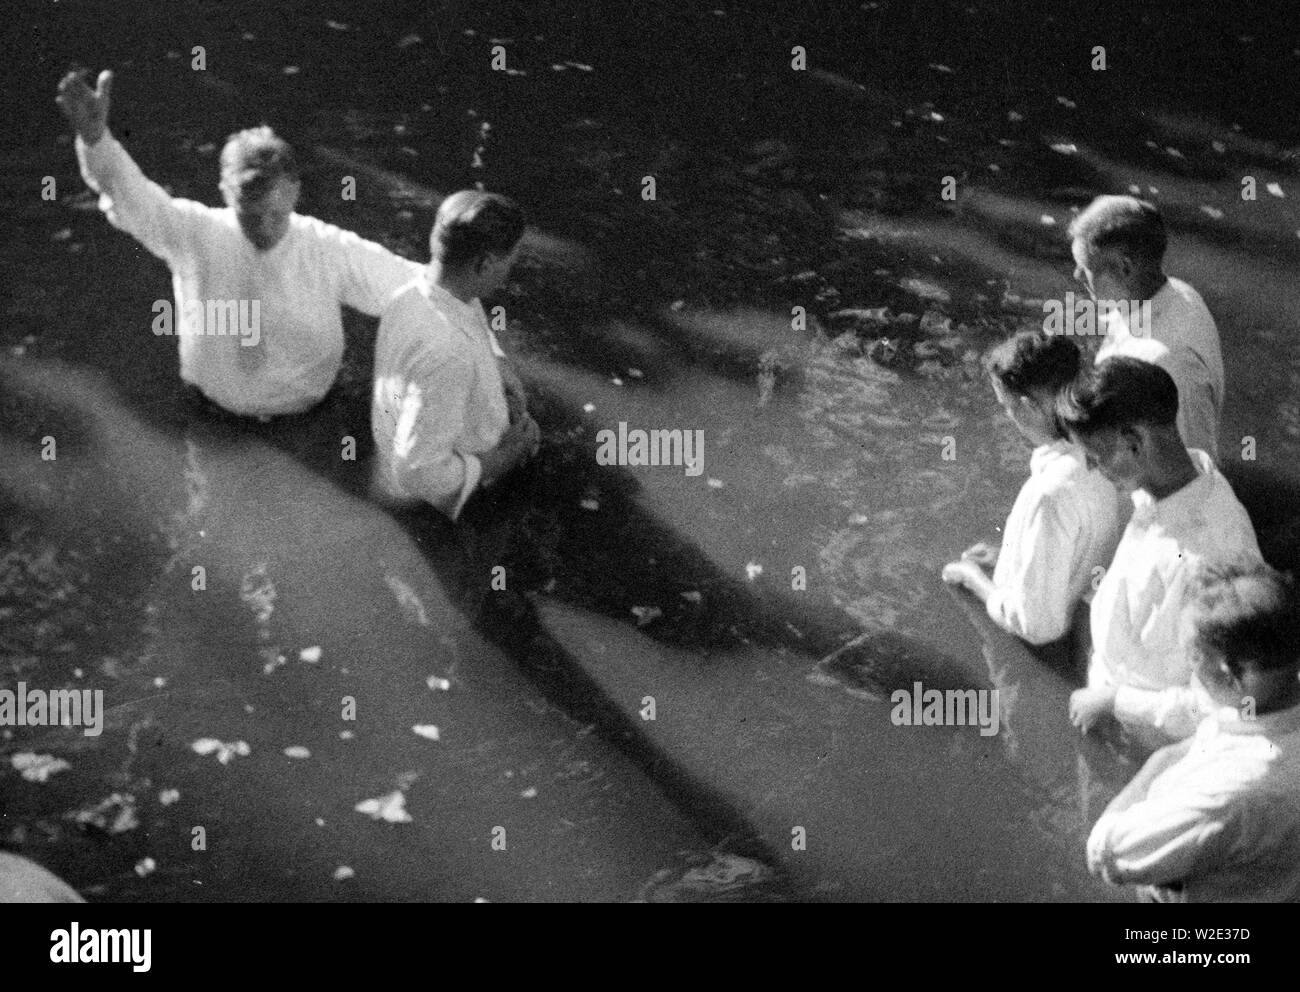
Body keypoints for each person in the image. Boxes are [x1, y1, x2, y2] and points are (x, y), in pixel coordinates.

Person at [56, 68, 421, 419]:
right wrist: (97, 141)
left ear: (295, 192)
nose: (263, 228)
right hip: (209, 414)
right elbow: (132, 198)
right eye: (250, 215)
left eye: (276, 214)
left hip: (308, 417)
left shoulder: (327, 248)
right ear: (225, 194)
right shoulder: (193, 232)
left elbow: (413, 289)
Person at [1058, 357, 1261, 743]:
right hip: (1106, 706)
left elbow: (1228, 707)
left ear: (1134, 444)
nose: (1089, 469)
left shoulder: (1216, 554)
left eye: (1096, 457)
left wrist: (1115, 701)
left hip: (1152, 746)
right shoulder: (1161, 491)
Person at [1086, 561, 1300, 902]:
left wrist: (1161, 760)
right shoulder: (1269, 692)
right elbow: (1212, 710)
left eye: (1193, 654)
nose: (1189, 668)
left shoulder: (1226, 796)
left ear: (1230, 672)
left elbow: (1106, 853)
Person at [372, 190, 540, 522]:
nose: (512, 268)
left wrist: (498, 365)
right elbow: (417, 471)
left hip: (403, 453)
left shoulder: (415, 291)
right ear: (486, 263)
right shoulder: (448, 353)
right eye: (512, 258)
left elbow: (465, 326)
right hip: (449, 498)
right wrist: (500, 459)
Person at [942, 330, 1119, 645]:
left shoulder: (1048, 494)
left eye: (1005, 406)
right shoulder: (1104, 452)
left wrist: (974, 580)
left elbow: (1036, 626)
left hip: (1051, 651)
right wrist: (1011, 558)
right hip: (1089, 619)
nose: (1008, 416)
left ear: (1027, 407)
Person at [1068, 195, 1223, 461]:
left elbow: (1194, 467)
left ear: (1125, 267)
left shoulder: (1171, 365)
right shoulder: (1173, 292)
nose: (1077, 276)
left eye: (1086, 267)